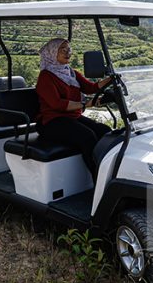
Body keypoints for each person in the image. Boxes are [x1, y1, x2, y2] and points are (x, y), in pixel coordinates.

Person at [35, 38, 114, 181]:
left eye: (68, 49)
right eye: (63, 50)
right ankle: (99, 179)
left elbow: (90, 87)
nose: (68, 53)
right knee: (88, 136)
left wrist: (110, 80)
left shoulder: (70, 72)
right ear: (52, 53)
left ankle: (110, 172)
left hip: (71, 117)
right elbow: (57, 104)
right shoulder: (46, 77)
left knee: (105, 131)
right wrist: (86, 104)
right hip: (51, 121)